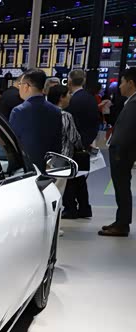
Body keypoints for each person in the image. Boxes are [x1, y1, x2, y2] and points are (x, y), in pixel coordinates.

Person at [99, 68, 136, 237]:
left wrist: (118, 149)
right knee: (121, 187)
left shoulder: (134, 103)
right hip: (122, 151)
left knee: (122, 188)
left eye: (122, 82)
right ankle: (120, 221)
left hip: (123, 152)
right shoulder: (130, 101)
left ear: (130, 83)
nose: (119, 86)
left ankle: (122, 224)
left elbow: (128, 131)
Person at [9, 69, 62, 172]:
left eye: (20, 84)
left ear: (26, 86)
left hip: (25, 170)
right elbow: (57, 144)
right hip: (48, 169)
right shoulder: (55, 111)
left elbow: (12, 144)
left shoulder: (19, 111)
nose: (19, 87)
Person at [63, 69, 99, 219]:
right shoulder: (90, 98)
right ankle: (84, 208)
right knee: (80, 178)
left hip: (73, 145)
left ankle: (70, 208)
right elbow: (95, 122)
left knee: (71, 179)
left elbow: (71, 124)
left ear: (70, 81)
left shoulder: (73, 101)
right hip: (85, 143)